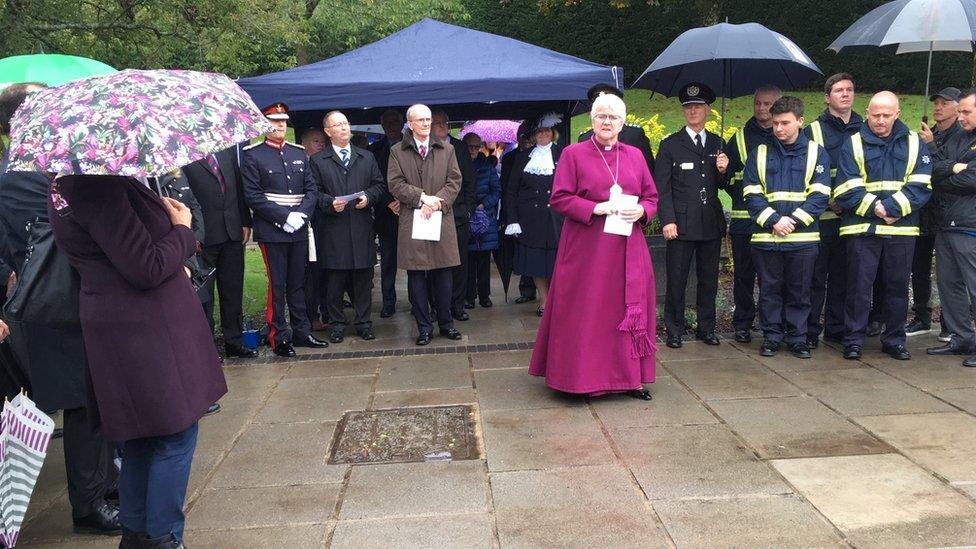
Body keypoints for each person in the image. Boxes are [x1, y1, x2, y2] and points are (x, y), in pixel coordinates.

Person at [48, 173, 228, 548]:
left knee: (144, 438)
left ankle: (138, 536)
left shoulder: (71, 183)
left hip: (130, 325)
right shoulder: (97, 186)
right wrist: (182, 232)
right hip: (143, 329)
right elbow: (144, 266)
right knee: (173, 435)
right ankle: (163, 539)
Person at [0, 83, 121, 536]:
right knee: (83, 402)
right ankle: (89, 505)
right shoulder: (27, 172)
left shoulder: (48, 166)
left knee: (97, 398)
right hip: (53, 304)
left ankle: (107, 486)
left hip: (72, 298)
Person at [529, 92, 658, 400]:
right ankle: (582, 379)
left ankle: (629, 379)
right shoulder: (574, 154)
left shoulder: (635, 156)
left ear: (623, 123)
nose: (607, 122)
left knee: (625, 311)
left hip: (628, 248)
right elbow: (559, 198)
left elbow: (651, 198)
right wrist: (594, 209)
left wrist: (642, 211)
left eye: (613, 117)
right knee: (588, 313)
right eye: (601, 116)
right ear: (592, 120)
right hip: (588, 249)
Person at [834, 91, 932, 360]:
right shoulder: (852, 143)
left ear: (897, 114)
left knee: (897, 288)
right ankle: (853, 340)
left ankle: (894, 340)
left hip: (900, 229)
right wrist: (878, 209)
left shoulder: (914, 143)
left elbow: (922, 184)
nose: (880, 120)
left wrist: (891, 208)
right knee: (858, 288)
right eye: (875, 115)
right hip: (862, 230)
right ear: (867, 112)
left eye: (886, 115)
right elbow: (845, 187)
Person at [743, 96, 830, 358]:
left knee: (800, 291)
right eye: (775, 123)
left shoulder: (817, 153)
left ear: (800, 121)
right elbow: (751, 193)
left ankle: (798, 338)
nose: (778, 128)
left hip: (802, 239)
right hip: (767, 238)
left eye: (785, 123)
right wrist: (774, 221)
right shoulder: (759, 152)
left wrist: (791, 221)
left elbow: (820, 195)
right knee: (769, 291)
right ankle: (771, 336)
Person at [242, 102, 329, 357]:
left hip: (299, 227)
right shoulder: (253, 154)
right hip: (273, 229)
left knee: (298, 284)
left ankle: (302, 332)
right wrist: (284, 217)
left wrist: (301, 214)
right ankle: (278, 336)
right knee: (277, 285)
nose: (279, 126)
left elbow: (311, 189)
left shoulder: (298, 152)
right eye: (274, 122)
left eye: (282, 122)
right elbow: (253, 195)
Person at [654, 82, 728, 348]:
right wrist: (668, 220)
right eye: (688, 107)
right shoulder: (671, 145)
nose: (693, 111)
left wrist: (723, 170)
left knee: (708, 279)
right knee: (677, 279)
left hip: (709, 221)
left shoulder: (719, 142)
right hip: (681, 224)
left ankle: (706, 328)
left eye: (697, 106)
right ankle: (674, 329)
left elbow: (725, 185)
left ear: (707, 109)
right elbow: (661, 188)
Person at [387, 104, 464, 345]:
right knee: (417, 275)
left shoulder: (447, 149)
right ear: (410, 123)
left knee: (443, 273)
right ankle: (423, 327)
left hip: (440, 217)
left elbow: (454, 180)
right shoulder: (397, 151)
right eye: (421, 120)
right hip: (413, 218)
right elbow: (395, 183)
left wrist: (437, 202)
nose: (426, 124)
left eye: (429, 119)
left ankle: (446, 323)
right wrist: (422, 198)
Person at [308, 111, 386, 342]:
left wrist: (369, 197)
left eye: (345, 123)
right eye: (337, 125)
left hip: (361, 226)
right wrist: (329, 203)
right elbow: (313, 192)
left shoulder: (366, 157)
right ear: (327, 131)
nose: (343, 128)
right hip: (333, 228)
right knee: (335, 280)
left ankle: (364, 322)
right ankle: (337, 324)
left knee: (363, 278)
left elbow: (379, 185)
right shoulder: (318, 161)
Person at [803, 73, 863, 348]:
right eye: (839, 90)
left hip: (853, 216)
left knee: (844, 277)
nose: (845, 94)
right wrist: (829, 200)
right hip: (822, 216)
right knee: (816, 278)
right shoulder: (813, 130)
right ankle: (810, 330)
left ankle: (836, 329)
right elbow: (806, 170)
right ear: (827, 97)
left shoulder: (865, 127)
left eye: (849, 89)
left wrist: (849, 202)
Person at [724, 86, 781, 343]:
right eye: (758, 103)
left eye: (768, 104)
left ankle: (775, 323)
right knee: (744, 277)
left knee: (775, 278)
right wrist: (723, 169)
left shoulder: (787, 135)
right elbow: (725, 182)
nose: (761, 108)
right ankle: (743, 323)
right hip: (745, 221)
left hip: (779, 223)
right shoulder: (738, 139)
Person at [926, 88, 976, 365]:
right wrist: (952, 167)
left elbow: (970, 181)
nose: (961, 116)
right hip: (946, 223)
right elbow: (933, 166)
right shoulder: (958, 135)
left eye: (967, 111)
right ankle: (961, 338)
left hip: (970, 225)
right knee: (948, 285)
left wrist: (951, 171)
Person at [908, 87, 962, 337]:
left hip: (947, 211)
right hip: (923, 209)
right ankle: (921, 316)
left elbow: (943, 168)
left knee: (947, 272)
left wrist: (931, 146)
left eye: (944, 103)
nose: (937, 107)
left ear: (957, 107)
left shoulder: (961, 136)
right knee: (918, 266)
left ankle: (952, 325)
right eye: (936, 103)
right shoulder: (928, 133)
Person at [504, 113, 564, 316]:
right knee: (537, 264)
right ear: (534, 134)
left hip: (556, 219)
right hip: (530, 220)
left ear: (553, 133)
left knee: (556, 262)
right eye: (539, 131)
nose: (543, 135)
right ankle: (544, 301)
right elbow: (511, 191)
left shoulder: (564, 154)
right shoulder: (523, 157)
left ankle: (556, 300)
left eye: (547, 131)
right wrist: (512, 220)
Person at [430, 110, 477, 321]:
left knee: (459, 263)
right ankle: (436, 306)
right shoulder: (424, 147)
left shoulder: (458, 147)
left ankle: (457, 305)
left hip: (457, 215)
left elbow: (469, 181)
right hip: (430, 214)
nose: (441, 126)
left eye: (444, 123)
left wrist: (468, 208)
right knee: (433, 264)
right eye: (436, 123)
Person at [368, 110, 405, 318]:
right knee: (388, 262)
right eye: (388, 122)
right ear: (382, 125)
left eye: (396, 121)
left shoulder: (413, 145)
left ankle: (419, 302)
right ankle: (388, 303)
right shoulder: (374, 151)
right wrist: (389, 202)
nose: (392, 125)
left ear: (402, 124)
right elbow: (374, 181)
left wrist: (405, 200)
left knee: (415, 261)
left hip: (410, 212)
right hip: (386, 214)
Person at [578, 83, 656, 174]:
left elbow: (648, 170)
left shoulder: (634, 136)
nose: (606, 121)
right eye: (600, 114)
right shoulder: (585, 138)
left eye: (611, 114)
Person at [500, 121, 537, 303]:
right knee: (522, 250)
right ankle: (526, 289)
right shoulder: (510, 158)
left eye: (529, 137)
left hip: (539, 211)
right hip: (518, 209)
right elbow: (507, 188)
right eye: (523, 137)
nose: (527, 140)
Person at [463, 132, 501, 308]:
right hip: (466, 216)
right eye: (470, 146)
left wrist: (483, 205)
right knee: (468, 262)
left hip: (485, 217)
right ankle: (469, 297)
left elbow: (496, 191)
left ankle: (484, 295)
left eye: (476, 146)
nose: (473, 149)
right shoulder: (458, 164)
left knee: (484, 261)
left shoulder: (487, 166)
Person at [299, 127, 331, 331]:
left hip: (326, 225)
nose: (321, 145)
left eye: (323, 142)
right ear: (304, 145)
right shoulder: (300, 164)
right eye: (316, 141)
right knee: (309, 276)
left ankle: (326, 312)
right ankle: (310, 316)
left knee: (325, 273)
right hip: (306, 227)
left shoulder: (326, 163)